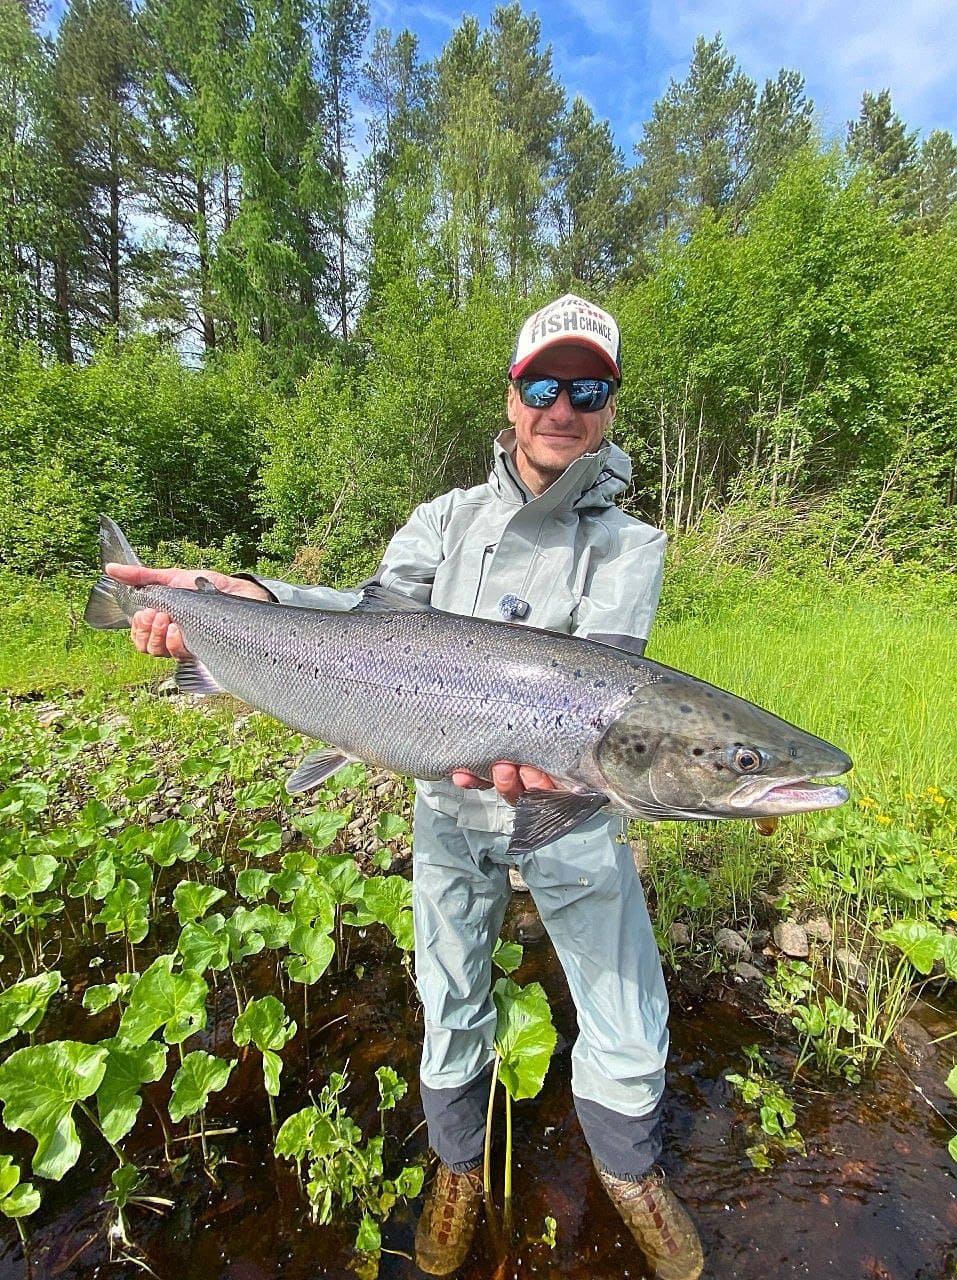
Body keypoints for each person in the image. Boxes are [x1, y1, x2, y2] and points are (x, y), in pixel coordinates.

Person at [110, 294, 704, 1280]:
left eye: (587, 387)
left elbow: (607, 690)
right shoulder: (444, 519)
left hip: (571, 810)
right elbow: (363, 617)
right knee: (451, 990)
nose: (563, 404)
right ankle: (459, 1162)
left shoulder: (630, 545)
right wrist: (233, 598)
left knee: (625, 1000)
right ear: (513, 397)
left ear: (607, 406)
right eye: (544, 383)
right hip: (450, 808)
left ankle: (631, 1168)